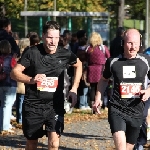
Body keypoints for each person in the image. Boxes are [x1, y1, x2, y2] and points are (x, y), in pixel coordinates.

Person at [10, 20, 82, 150]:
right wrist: (31, 79)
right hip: (33, 105)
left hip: (55, 105)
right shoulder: (32, 52)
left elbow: (79, 64)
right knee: (32, 144)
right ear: (43, 36)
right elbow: (14, 73)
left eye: (56, 38)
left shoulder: (64, 53)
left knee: (54, 143)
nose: (53, 42)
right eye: (49, 37)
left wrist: (74, 88)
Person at [93, 29, 150, 150]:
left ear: (140, 43)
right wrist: (98, 97)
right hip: (117, 109)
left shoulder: (146, 61)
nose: (133, 47)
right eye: (129, 43)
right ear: (123, 43)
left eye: (136, 43)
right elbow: (103, 80)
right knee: (121, 148)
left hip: (137, 111)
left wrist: (148, 91)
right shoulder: (113, 62)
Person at [86, 32, 110, 113]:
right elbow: (108, 56)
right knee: (100, 89)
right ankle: (99, 106)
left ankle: (93, 107)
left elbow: (86, 58)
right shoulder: (103, 48)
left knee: (93, 88)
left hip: (91, 69)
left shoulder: (89, 48)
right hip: (101, 69)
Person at [0, 40, 17, 133]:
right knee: (8, 105)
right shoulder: (11, 59)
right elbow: (16, 70)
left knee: (2, 105)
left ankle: (2, 124)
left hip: (1, 83)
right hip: (10, 83)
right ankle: (5, 127)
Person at [16, 38, 30, 124]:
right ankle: (21, 118)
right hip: (23, 83)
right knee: (22, 100)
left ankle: (20, 117)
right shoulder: (25, 57)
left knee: (19, 101)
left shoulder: (17, 56)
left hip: (19, 84)